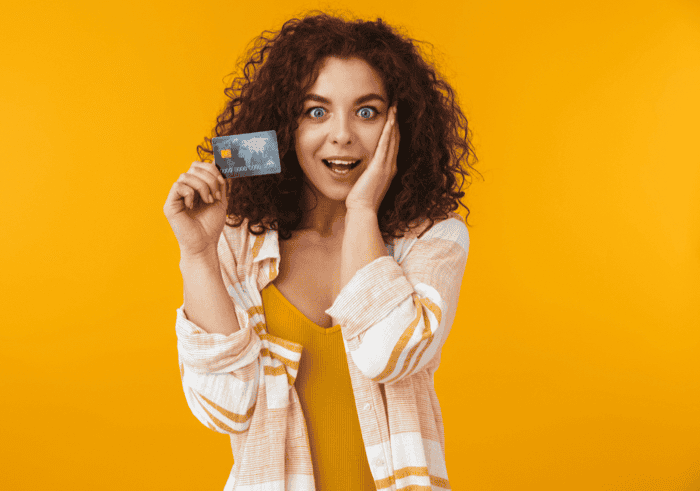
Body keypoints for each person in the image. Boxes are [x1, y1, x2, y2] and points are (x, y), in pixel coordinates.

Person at [163, 12, 477, 491]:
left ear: (400, 125)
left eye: (367, 112)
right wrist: (199, 254)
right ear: (284, 128)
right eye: (316, 111)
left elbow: (384, 356)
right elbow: (223, 407)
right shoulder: (238, 242)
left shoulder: (432, 239)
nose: (342, 135)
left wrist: (363, 209)